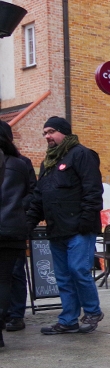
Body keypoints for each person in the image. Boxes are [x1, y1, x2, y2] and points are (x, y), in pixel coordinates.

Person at [25, 117, 104, 335]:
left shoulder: (82, 154)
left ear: (64, 133)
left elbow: (93, 191)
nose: (47, 136)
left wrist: (85, 223)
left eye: (51, 131)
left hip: (78, 229)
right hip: (56, 229)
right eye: (45, 133)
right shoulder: (48, 163)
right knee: (63, 276)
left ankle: (92, 311)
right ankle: (68, 319)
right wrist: (28, 224)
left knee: (78, 270)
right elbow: (39, 197)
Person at [0, 121, 34, 335]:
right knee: (8, 277)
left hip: (12, 226)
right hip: (13, 230)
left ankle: (15, 315)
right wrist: (20, 210)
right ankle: (11, 317)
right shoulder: (21, 164)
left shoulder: (20, 164)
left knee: (11, 276)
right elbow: (33, 192)